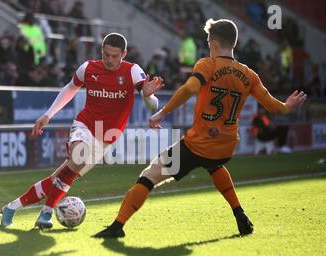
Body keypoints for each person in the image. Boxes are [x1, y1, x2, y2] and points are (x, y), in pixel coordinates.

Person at [94, 19, 307, 238]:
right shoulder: (249, 75)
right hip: (227, 145)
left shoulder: (207, 65)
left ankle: (117, 226)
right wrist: (288, 106)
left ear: (213, 43)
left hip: (199, 143)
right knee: (214, 165)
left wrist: (161, 112)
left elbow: (189, 89)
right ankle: (240, 215)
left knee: (151, 173)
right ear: (233, 43)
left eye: (208, 40)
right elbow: (276, 107)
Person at [0, 33, 164, 229]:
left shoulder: (132, 71)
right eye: (106, 55)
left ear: (124, 54)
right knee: (78, 159)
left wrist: (148, 95)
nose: (109, 60)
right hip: (84, 125)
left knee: (59, 178)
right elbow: (70, 89)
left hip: (106, 138)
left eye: (114, 56)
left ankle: (12, 208)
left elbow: (152, 104)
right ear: (101, 52)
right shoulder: (88, 68)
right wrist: (48, 115)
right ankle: (46, 213)